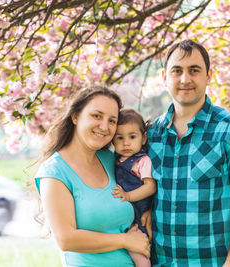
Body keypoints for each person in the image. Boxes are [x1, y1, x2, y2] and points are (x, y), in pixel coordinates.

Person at [143, 39, 230, 266]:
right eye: (177, 71)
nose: (185, 79)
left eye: (194, 70)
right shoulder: (150, 135)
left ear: (208, 76)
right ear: (164, 77)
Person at [34, 86, 150, 267]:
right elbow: (66, 239)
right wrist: (125, 240)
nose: (105, 126)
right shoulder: (55, 172)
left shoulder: (111, 160)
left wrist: (146, 211)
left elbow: (136, 191)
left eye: (112, 120)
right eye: (96, 116)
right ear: (75, 117)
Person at [111, 108, 157, 267]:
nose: (126, 143)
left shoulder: (142, 161)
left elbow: (150, 187)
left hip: (138, 217)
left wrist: (128, 196)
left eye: (132, 137)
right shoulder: (116, 160)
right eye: (120, 138)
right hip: (123, 218)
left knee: (141, 257)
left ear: (143, 138)